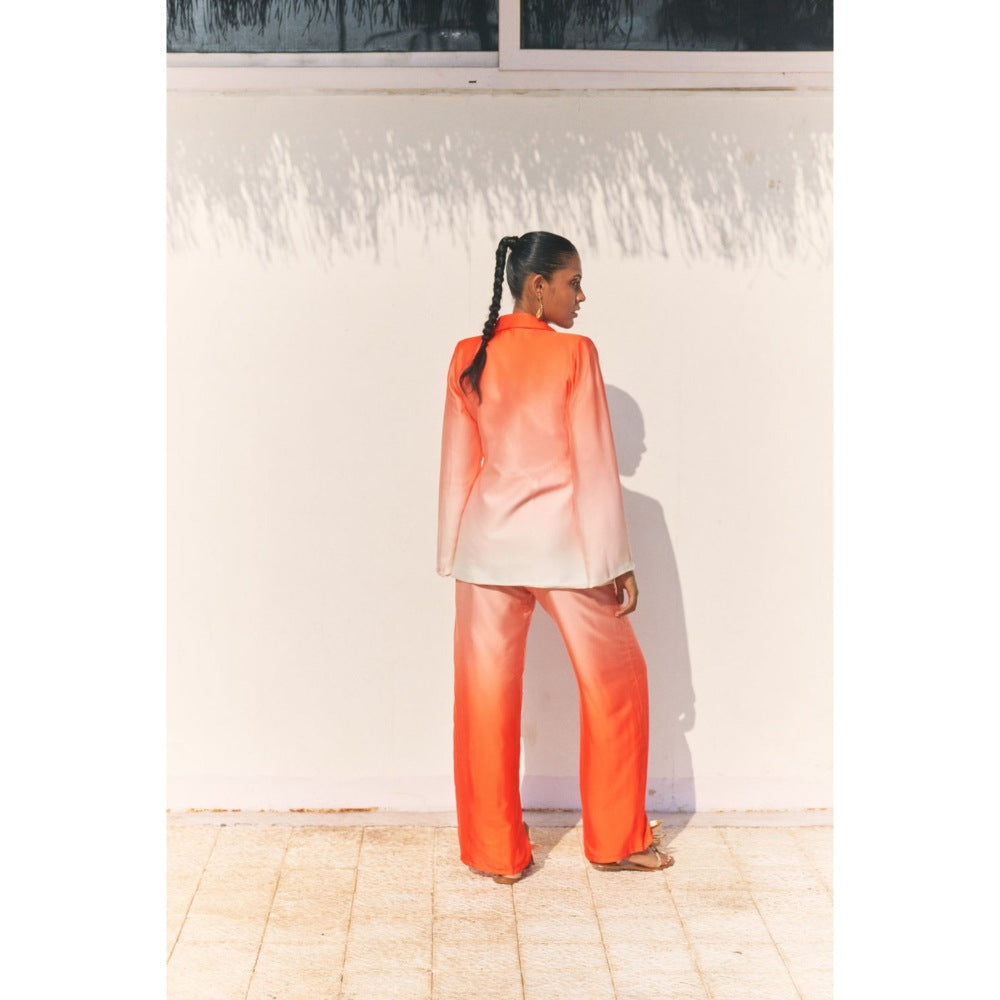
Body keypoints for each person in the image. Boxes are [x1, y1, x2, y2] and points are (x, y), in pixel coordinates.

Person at [437, 232, 673, 884]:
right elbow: (594, 461)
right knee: (617, 685)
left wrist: (453, 551)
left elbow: (459, 462)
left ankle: (495, 854)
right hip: (564, 550)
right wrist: (616, 559)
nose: (581, 295)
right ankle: (617, 840)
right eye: (573, 282)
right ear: (537, 286)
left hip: (485, 551)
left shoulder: (468, 354)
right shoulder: (575, 354)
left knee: (483, 701)